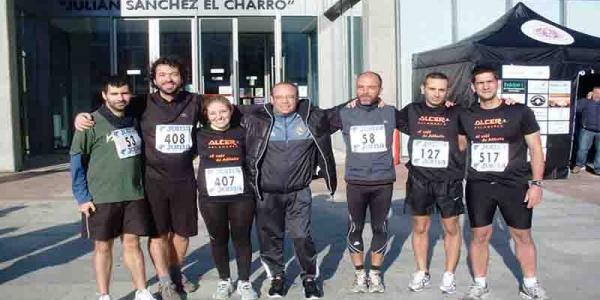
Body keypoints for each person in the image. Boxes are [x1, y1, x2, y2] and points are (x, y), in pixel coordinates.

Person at [75, 57, 202, 300]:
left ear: (182, 78)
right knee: (158, 234)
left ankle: (176, 273)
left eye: (173, 74)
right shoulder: (141, 102)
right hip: (151, 180)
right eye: (162, 74)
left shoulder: (194, 101)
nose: (168, 79)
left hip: (184, 179)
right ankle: (165, 281)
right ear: (154, 79)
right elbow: (110, 108)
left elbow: (224, 113)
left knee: (183, 234)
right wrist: (81, 116)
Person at [460, 67, 550, 300]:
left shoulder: (519, 111)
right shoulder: (465, 114)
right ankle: (480, 284)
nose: (486, 86)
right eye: (480, 83)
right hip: (479, 184)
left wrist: (537, 184)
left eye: (489, 81)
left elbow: (536, 149)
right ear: (473, 87)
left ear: (497, 83)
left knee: (522, 236)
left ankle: (529, 284)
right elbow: (458, 145)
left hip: (514, 183)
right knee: (479, 235)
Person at [242, 82, 337, 299]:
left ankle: (310, 277)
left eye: (291, 97)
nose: (286, 101)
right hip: (267, 192)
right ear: (271, 99)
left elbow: (340, 113)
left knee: (301, 236)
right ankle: (276, 276)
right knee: (270, 237)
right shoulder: (255, 120)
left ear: (298, 98)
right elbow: (221, 115)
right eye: (280, 97)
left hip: (299, 191)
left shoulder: (311, 119)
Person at [70, 76, 156, 300]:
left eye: (125, 93)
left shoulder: (134, 118)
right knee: (103, 246)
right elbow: (77, 162)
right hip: (101, 197)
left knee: (133, 243)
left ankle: (141, 290)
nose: (121, 98)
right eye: (115, 94)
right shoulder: (90, 123)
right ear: (104, 95)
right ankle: (104, 294)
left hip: (133, 194)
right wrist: (82, 197)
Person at [324, 71, 406, 294]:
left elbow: (421, 121)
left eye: (371, 87)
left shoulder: (390, 112)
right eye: (361, 87)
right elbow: (317, 121)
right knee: (355, 227)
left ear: (380, 89)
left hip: (383, 181)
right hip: (356, 182)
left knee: (381, 227)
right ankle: (360, 274)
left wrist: (448, 106)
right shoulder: (344, 113)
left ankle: (375, 274)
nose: (365, 91)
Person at [397, 72, 466, 294]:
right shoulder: (411, 111)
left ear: (447, 91)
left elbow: (484, 117)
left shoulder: (457, 112)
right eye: (432, 88)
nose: (437, 94)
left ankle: (448, 275)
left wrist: (507, 101)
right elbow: (386, 117)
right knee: (420, 227)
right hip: (420, 179)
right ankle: (421, 271)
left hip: (449, 180)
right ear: (423, 89)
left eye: (441, 90)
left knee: (451, 228)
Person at [196, 96, 258, 300]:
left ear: (231, 111)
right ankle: (224, 280)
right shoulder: (199, 134)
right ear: (206, 116)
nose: (218, 116)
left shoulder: (242, 132)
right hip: (211, 198)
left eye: (223, 111)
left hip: (241, 196)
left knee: (242, 238)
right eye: (213, 113)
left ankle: (245, 282)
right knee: (218, 239)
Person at [572, 85, 600, 174]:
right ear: (592, 93)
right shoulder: (585, 101)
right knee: (582, 149)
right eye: (596, 93)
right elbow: (576, 108)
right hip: (587, 130)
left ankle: (598, 169)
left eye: (599, 93)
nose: (597, 95)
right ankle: (579, 165)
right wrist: (587, 99)